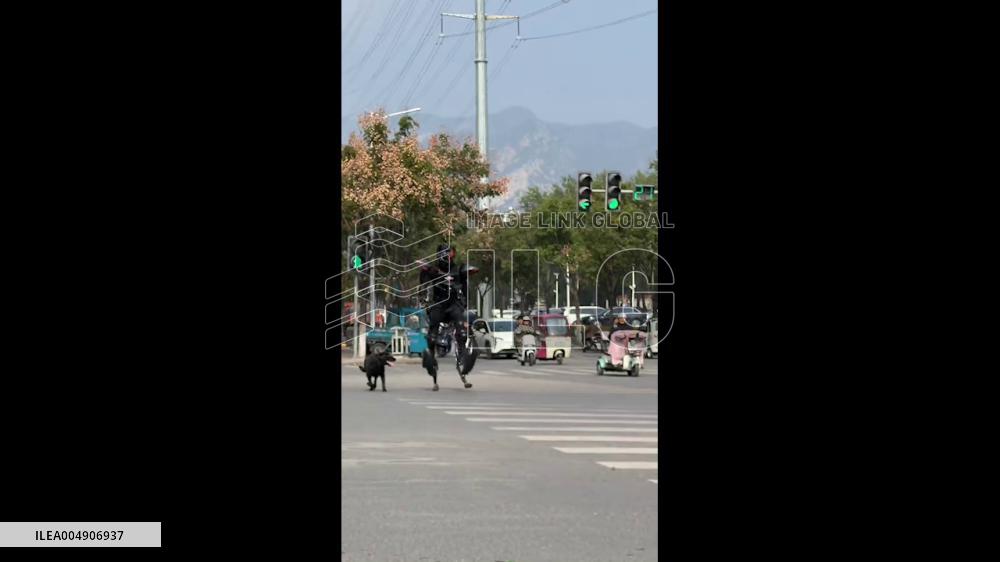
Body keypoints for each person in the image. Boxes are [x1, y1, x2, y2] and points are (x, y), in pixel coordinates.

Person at [419, 243, 477, 391]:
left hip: (454, 306)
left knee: (462, 332)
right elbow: (423, 286)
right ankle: (432, 364)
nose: (448, 257)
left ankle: (462, 360)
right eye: (445, 254)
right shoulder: (432, 270)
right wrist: (424, 301)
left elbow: (465, 288)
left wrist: (464, 303)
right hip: (438, 305)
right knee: (432, 337)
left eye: (450, 254)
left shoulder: (459, 269)